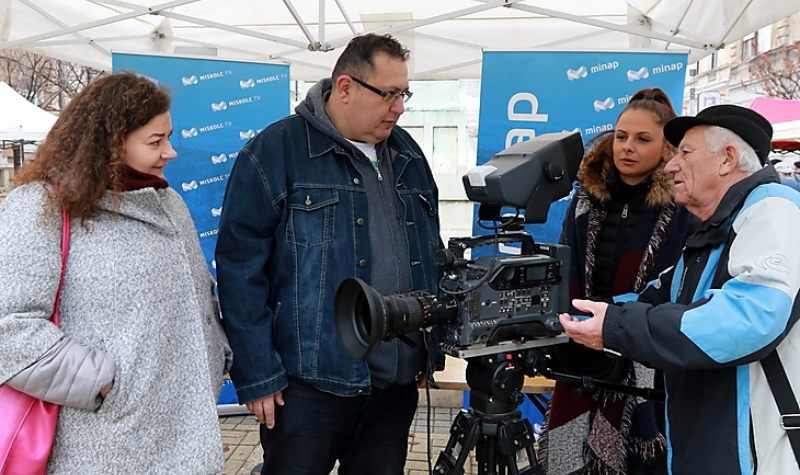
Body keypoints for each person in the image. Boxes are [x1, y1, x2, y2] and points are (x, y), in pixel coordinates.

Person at [215, 33, 441, 474]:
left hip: (392, 388)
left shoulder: (408, 153)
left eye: (404, 94)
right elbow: (241, 270)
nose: (399, 107)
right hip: (306, 390)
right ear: (345, 87)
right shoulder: (274, 151)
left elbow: (426, 253)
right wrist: (258, 375)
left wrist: (423, 350)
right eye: (389, 94)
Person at [0, 72, 231, 474]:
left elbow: (196, 295)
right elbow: (9, 328)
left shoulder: (167, 201)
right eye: (155, 141)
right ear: (107, 144)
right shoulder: (40, 208)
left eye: (169, 137)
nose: (170, 152)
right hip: (103, 446)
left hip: (184, 435)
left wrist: (216, 355)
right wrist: (105, 383)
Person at [560, 104, 800, 474]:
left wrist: (615, 327)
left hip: (760, 454)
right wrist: (577, 317)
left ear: (727, 159)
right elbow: (656, 296)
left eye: (685, 153)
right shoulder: (716, 229)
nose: (671, 165)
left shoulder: (774, 209)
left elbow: (748, 320)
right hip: (709, 446)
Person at [541, 88, 691, 475]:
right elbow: (566, 268)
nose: (627, 147)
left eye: (643, 139)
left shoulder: (681, 208)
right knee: (573, 459)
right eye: (621, 136)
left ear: (666, 147)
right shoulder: (584, 198)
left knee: (640, 460)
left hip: (646, 359)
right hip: (581, 352)